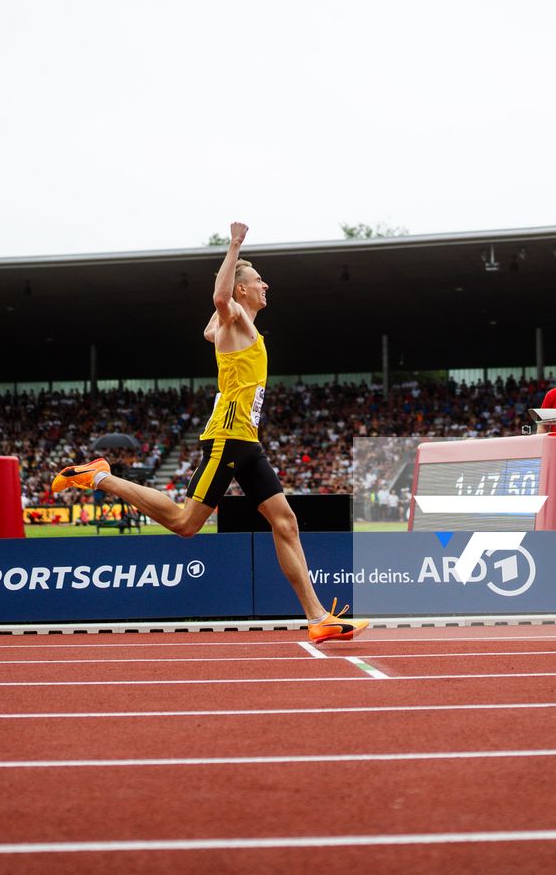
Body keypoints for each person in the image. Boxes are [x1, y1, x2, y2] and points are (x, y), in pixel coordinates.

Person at [51, 222, 367, 643]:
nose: (265, 285)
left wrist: (234, 283)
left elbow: (207, 329)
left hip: (247, 443)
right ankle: (100, 475)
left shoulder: (233, 327)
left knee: (285, 522)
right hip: (228, 438)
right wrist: (234, 246)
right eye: (257, 281)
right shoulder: (233, 319)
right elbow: (219, 299)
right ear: (241, 292)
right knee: (186, 523)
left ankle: (317, 617)